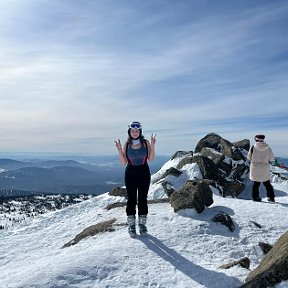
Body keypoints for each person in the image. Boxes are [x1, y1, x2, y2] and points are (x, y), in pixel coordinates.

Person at [114, 121, 156, 237]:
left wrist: (152, 144)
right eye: (133, 131)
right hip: (130, 173)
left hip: (144, 172)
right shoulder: (126, 145)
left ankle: (142, 225)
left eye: (137, 131)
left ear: (140, 132)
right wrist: (119, 150)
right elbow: (123, 163)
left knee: (142, 198)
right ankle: (131, 226)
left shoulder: (145, 143)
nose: (135, 133)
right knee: (131, 199)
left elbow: (151, 159)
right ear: (130, 132)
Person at [247, 134, 275, 202]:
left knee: (256, 184)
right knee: (267, 183)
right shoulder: (268, 148)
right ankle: (271, 197)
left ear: (256, 139)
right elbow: (272, 158)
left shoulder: (253, 147)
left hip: (255, 168)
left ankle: (255, 198)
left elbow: (249, 157)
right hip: (264, 168)